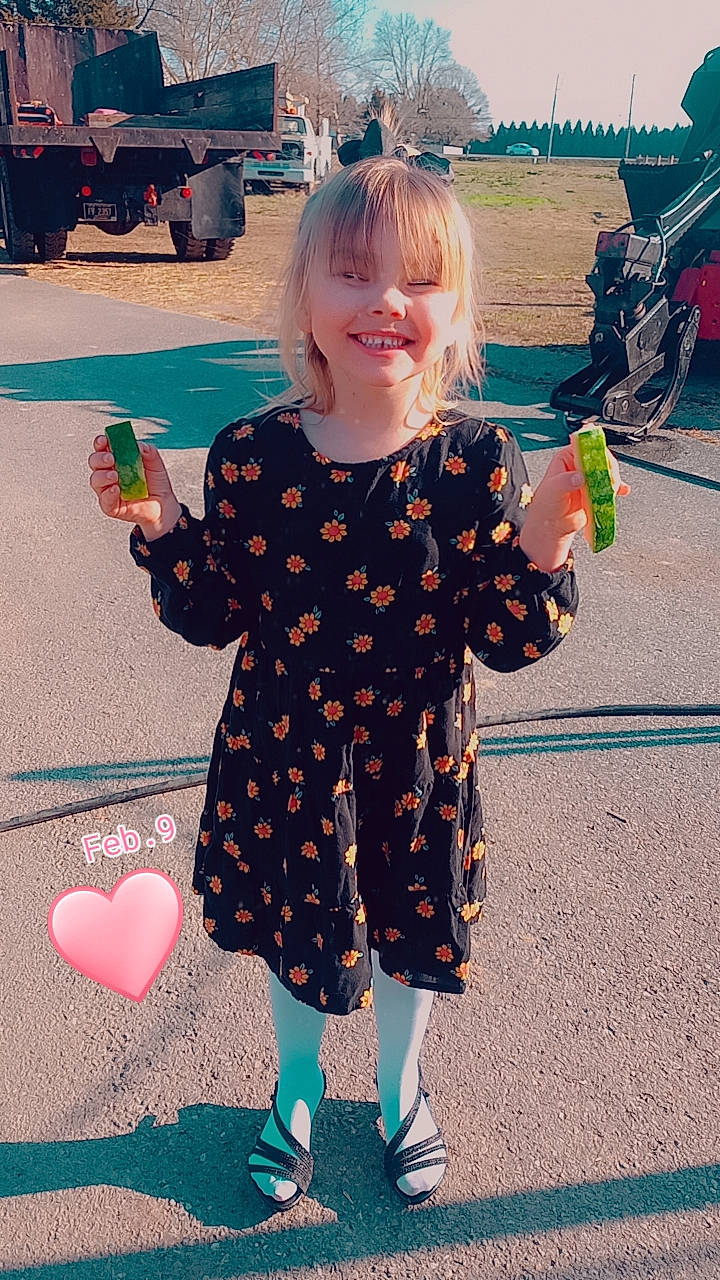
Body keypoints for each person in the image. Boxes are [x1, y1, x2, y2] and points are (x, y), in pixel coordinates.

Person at [88, 155, 629, 1212]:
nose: (385, 299)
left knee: (409, 934)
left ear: (457, 308)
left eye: (419, 279)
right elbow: (215, 610)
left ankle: (398, 1084)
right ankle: (295, 1085)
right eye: (351, 273)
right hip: (284, 755)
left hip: (418, 759)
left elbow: (505, 636)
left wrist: (545, 541)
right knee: (299, 924)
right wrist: (160, 521)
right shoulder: (249, 456)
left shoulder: (477, 462)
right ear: (303, 294)